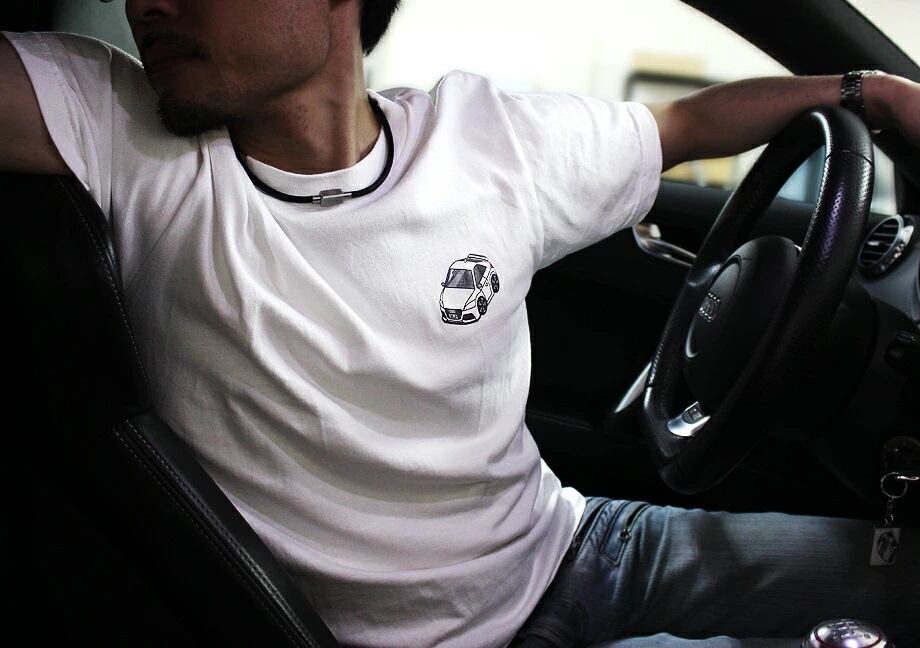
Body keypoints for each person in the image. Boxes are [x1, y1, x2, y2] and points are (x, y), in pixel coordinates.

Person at [1, 1, 918, 646]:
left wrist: (868, 92)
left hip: (582, 544)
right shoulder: (116, 124)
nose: (147, 5)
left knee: (901, 579)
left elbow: (681, 123)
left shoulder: (486, 138)